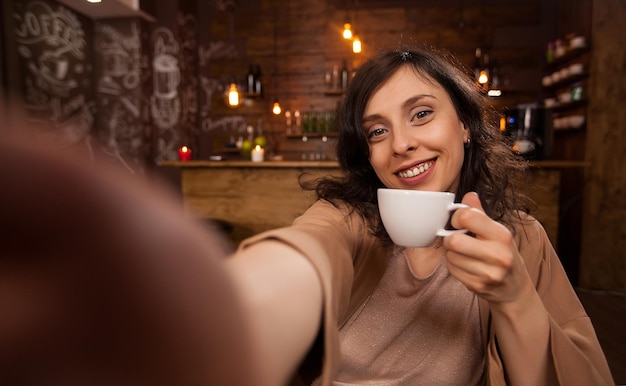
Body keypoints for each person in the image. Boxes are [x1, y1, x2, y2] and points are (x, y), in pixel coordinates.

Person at [226, 48, 614, 385]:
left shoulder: (522, 240)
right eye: (377, 131)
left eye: (422, 113)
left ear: (464, 125)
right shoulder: (346, 219)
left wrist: (515, 297)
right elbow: (302, 254)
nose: (401, 144)